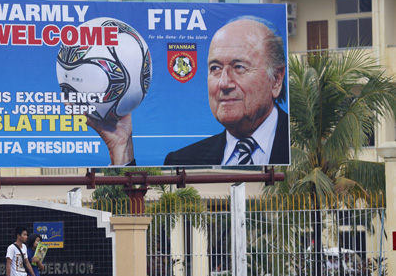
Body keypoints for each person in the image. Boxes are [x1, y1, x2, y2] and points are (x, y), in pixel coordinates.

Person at [88, 16, 289, 166]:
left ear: (276, 80)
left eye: (239, 67)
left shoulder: (308, 149)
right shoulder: (182, 161)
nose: (224, 83)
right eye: (215, 68)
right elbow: (150, 219)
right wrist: (122, 149)